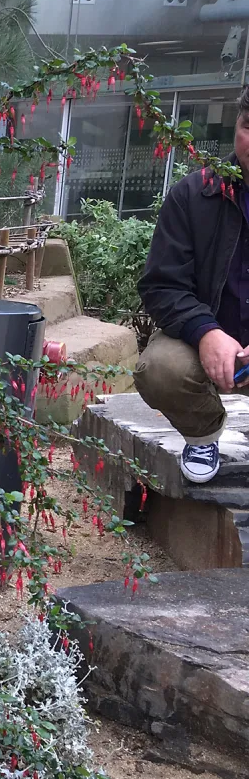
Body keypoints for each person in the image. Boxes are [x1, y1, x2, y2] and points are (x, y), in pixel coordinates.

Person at [136, 84, 249, 483]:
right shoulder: (193, 194)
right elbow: (161, 285)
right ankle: (203, 433)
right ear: (236, 125)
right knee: (160, 369)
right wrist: (205, 332)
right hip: (203, 343)